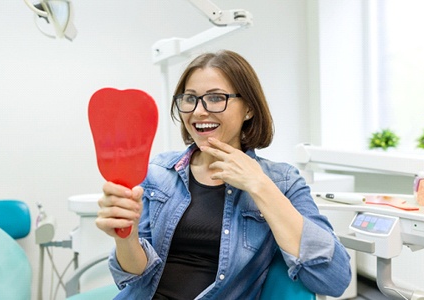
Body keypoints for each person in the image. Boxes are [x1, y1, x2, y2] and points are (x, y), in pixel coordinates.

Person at [96, 49, 351, 299]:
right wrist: (127, 237)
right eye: (189, 98)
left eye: (216, 98)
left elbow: (334, 279)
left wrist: (259, 185)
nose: (198, 112)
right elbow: (135, 278)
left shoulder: (282, 181)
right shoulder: (159, 173)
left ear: (249, 109)